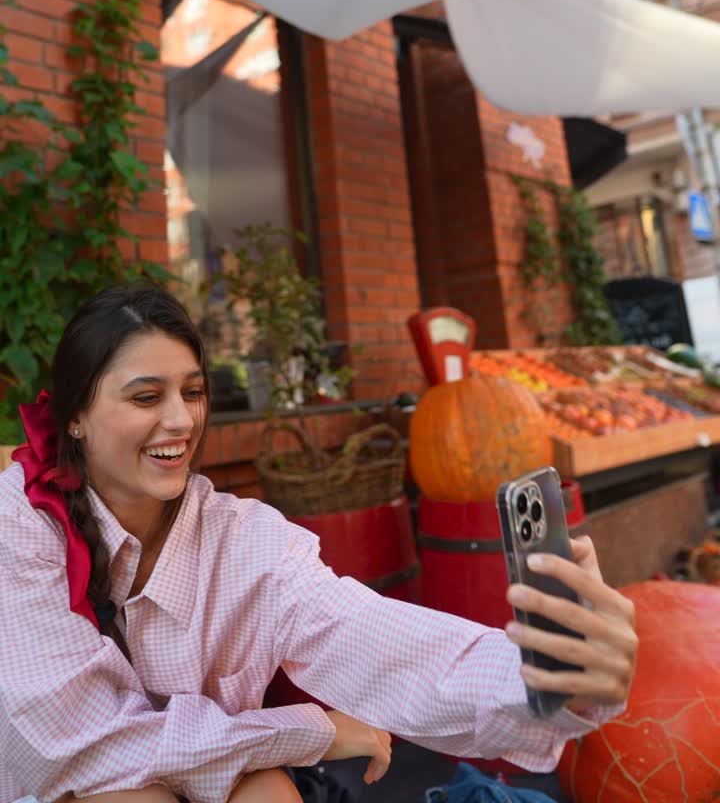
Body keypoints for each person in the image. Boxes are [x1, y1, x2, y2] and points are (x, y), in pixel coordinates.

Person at [0, 285, 638, 803]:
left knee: (269, 794)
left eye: (193, 392)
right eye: (146, 396)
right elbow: (81, 745)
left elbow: (378, 642)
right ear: (75, 417)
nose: (180, 420)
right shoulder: (21, 523)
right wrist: (311, 730)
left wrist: (547, 679)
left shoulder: (243, 539)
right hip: (59, 786)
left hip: (200, 775)